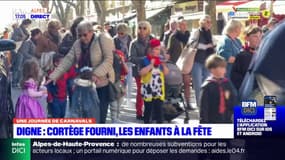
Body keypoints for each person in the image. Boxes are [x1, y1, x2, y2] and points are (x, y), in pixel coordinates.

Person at [48, 21, 114, 123]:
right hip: (84, 85)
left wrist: (95, 74)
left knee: (100, 118)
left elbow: (109, 59)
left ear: (91, 32)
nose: (82, 38)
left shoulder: (102, 39)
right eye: (79, 35)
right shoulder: (77, 44)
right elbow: (68, 60)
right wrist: (53, 76)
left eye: (85, 35)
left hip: (101, 84)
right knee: (85, 116)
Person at [200, 55, 237, 123]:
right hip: (212, 120)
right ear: (212, 69)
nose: (224, 70)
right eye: (221, 68)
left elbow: (232, 99)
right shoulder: (207, 86)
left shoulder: (226, 83)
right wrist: (204, 122)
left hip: (226, 119)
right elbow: (204, 107)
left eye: (224, 68)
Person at [139, 39, 169, 123]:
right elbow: (141, 72)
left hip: (158, 91)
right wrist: (151, 65)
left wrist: (164, 65)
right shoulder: (144, 60)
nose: (156, 51)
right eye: (154, 49)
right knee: (148, 110)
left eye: (158, 49)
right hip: (148, 90)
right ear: (149, 49)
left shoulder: (160, 61)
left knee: (159, 111)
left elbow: (166, 73)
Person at [129, 21, 153, 120]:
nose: (142, 30)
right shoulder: (134, 43)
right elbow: (131, 58)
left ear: (148, 29)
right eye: (140, 28)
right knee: (141, 92)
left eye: (144, 28)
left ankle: (150, 112)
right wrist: (144, 59)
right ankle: (139, 112)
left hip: (152, 69)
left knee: (152, 91)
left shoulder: (153, 40)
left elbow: (158, 51)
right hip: (139, 71)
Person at [190, 15, 216, 108]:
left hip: (207, 62)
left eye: (210, 22)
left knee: (207, 84)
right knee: (198, 85)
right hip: (196, 61)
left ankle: (206, 104)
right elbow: (192, 44)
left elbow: (212, 44)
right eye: (208, 22)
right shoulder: (196, 32)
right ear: (202, 23)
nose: (210, 24)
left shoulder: (209, 33)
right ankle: (200, 105)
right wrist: (206, 46)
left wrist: (213, 45)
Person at [231, 26, 262, 91]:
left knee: (273, 101)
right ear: (247, 38)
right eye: (255, 36)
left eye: (260, 36)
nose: (259, 39)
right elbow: (235, 77)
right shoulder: (242, 56)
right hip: (251, 92)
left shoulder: (264, 53)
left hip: (266, 91)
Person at [11, 19, 32, 88]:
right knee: (17, 67)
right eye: (29, 24)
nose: (29, 26)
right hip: (18, 51)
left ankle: (18, 82)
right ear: (26, 23)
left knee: (21, 68)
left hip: (24, 51)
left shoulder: (25, 30)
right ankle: (14, 82)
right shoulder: (18, 29)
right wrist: (21, 38)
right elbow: (13, 38)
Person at [109, 49, 128, 123]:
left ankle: (117, 118)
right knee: (113, 104)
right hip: (113, 84)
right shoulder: (110, 65)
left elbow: (127, 71)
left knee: (119, 103)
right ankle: (114, 119)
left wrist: (123, 62)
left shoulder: (122, 65)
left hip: (121, 85)